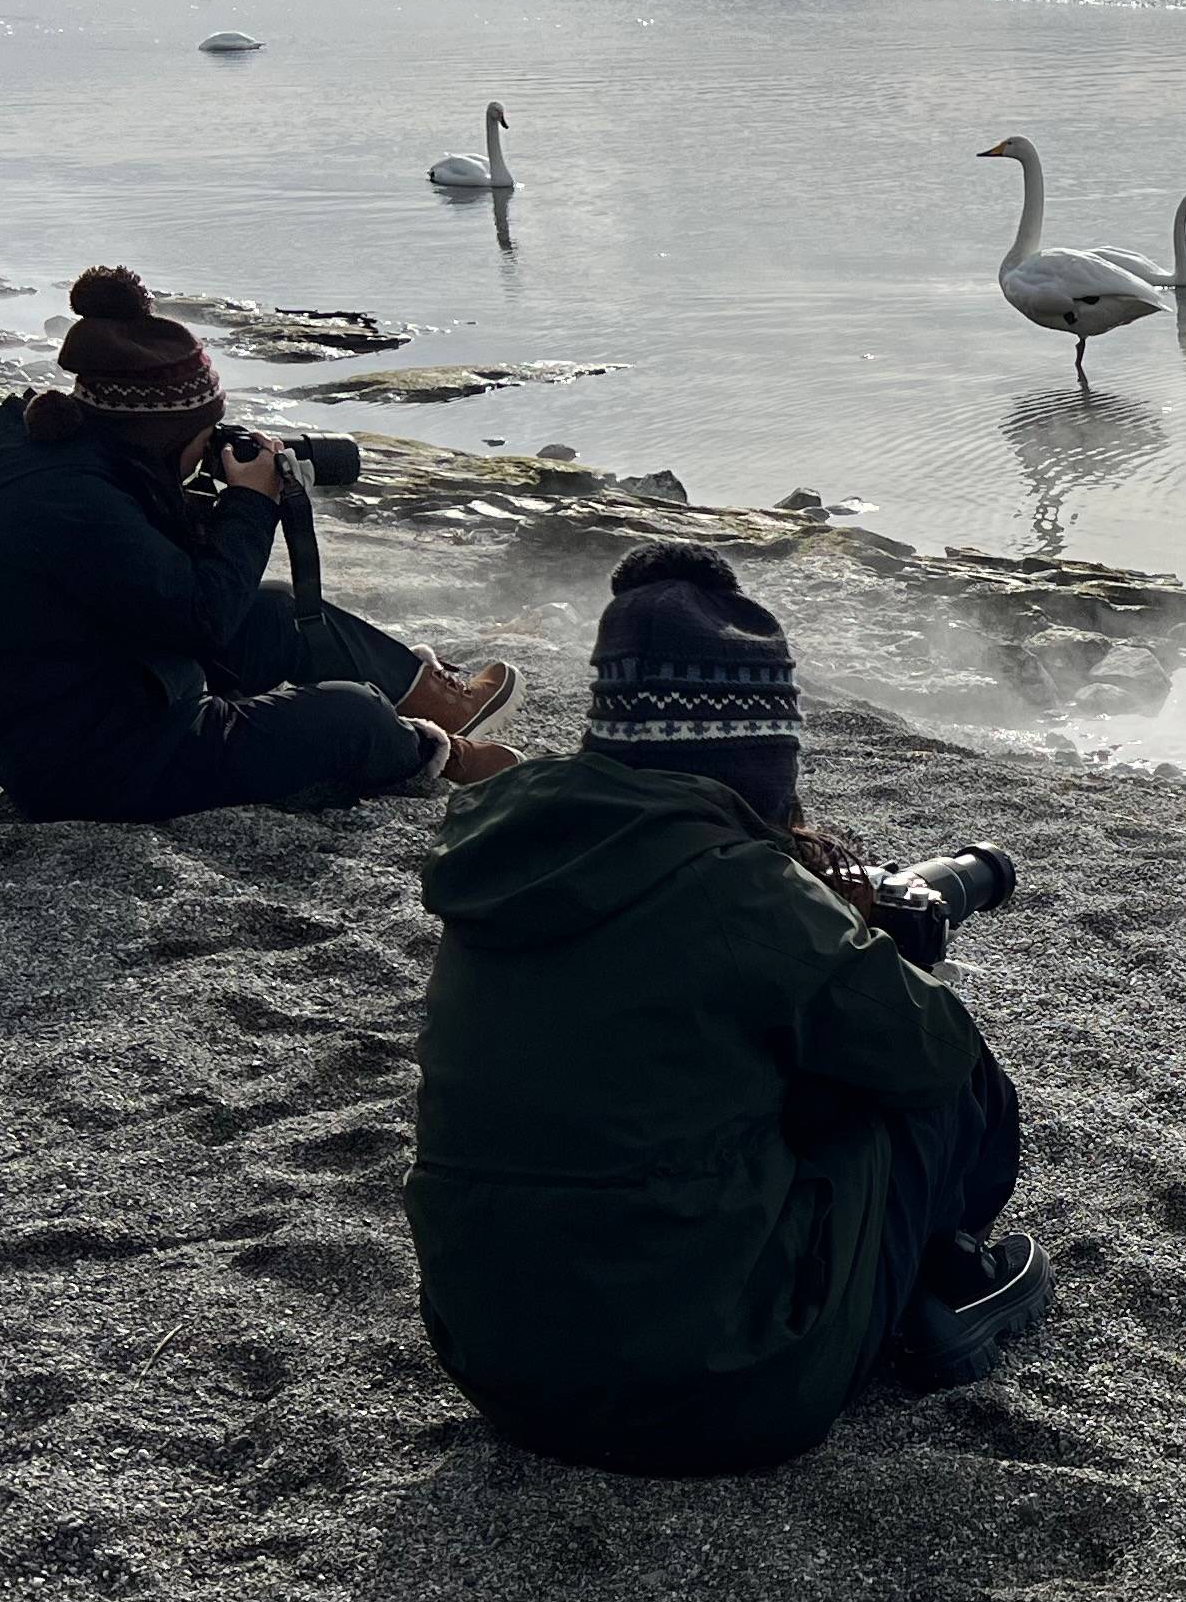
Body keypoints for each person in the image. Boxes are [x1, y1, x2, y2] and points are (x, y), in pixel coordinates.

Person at [404, 543, 1044, 1475]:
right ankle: (941, 1281)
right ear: (754, 751)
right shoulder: (741, 892)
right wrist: (869, 947)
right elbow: (935, 1056)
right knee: (941, 1084)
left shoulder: (508, 863)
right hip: (717, 1394)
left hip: (498, 1370)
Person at [0, 266, 519, 818]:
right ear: (160, 435)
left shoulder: (79, 463)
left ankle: (441, 703)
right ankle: (439, 755)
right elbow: (201, 617)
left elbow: (149, 586)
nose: (210, 446)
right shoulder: (71, 501)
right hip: (92, 756)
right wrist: (251, 503)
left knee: (274, 614)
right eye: (204, 434)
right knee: (352, 714)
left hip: (90, 699)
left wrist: (201, 500)